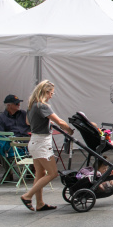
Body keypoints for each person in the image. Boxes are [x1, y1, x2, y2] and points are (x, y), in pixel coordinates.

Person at [19, 81, 73, 212]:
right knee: (53, 173)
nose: (51, 96)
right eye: (51, 93)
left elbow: (28, 122)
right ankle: (27, 196)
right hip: (42, 143)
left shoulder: (31, 105)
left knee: (40, 173)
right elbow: (59, 121)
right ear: (45, 92)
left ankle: (40, 203)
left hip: (34, 141)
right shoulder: (42, 106)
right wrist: (69, 130)